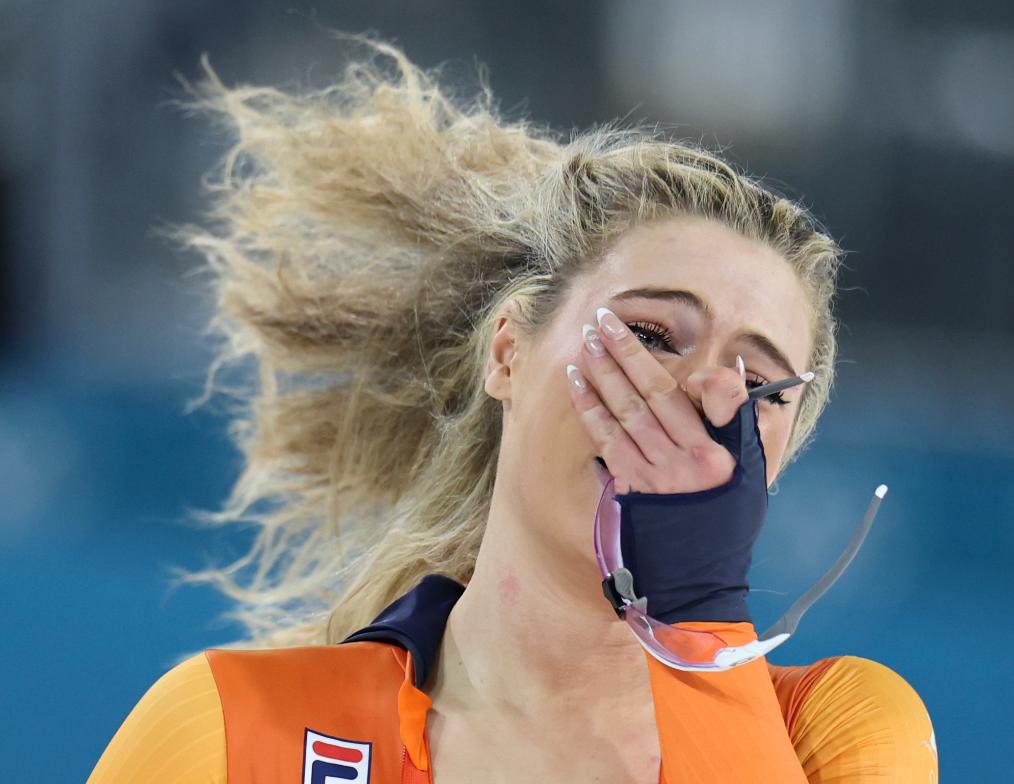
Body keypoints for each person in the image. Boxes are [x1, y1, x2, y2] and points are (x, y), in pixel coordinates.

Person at [88, 34, 938, 783]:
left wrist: (697, 620)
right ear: (508, 352)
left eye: (756, 384)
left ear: (779, 459)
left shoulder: (836, 734)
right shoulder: (236, 735)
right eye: (650, 335)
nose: (698, 399)